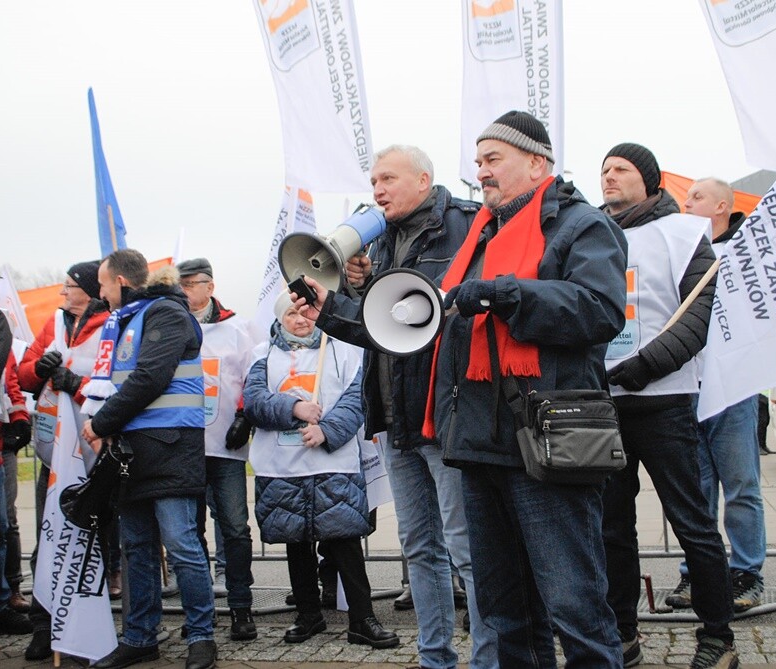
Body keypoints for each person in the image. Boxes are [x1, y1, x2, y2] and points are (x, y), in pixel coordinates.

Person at [425, 110, 628, 667]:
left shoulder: (584, 225)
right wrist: (337, 313)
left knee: (575, 608)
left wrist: (507, 293)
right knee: (502, 610)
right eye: (478, 162)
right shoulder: (481, 236)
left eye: (494, 160)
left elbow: (600, 309)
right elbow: (427, 326)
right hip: (481, 442)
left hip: (548, 439)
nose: (481, 173)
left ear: (537, 163)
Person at [292, 144, 495, 669]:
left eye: (387, 178)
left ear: (423, 179)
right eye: (373, 180)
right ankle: (435, 658)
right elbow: (379, 331)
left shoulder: (467, 227)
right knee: (420, 548)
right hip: (397, 419)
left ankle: (490, 659)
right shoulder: (383, 242)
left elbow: (441, 322)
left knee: (467, 549)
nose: (376, 190)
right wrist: (333, 303)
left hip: (445, 415)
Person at [599, 144, 738, 669]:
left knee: (693, 522)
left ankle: (718, 636)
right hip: (604, 403)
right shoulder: (593, 233)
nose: (609, 177)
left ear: (650, 181)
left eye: (621, 170)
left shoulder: (684, 234)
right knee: (612, 526)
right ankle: (622, 634)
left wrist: (644, 367)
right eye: (604, 170)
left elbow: (696, 316)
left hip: (663, 400)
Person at [81, 250, 216, 669]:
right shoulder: (123, 320)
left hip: (170, 448)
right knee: (136, 547)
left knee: (180, 544)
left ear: (121, 281)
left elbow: (149, 377)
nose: (100, 295)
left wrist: (100, 423)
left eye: (103, 285)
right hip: (132, 452)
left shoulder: (166, 314)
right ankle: (140, 637)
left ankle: (201, 636)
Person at [244, 291, 398, 649]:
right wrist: (294, 408)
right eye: (291, 314)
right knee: (296, 543)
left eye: (305, 313)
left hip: (333, 463)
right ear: (281, 319)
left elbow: (355, 397)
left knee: (344, 540)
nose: (300, 320)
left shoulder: (343, 349)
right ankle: (308, 614)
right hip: (282, 466)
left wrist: (327, 430)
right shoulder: (262, 355)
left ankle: (362, 619)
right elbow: (253, 401)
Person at [659, 177, 766, 615]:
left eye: (697, 197)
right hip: (690, 388)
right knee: (696, 490)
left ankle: (746, 573)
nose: (688, 204)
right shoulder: (682, 252)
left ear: (723, 205)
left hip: (733, 388)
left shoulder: (747, 251)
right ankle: (699, 573)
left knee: (740, 484)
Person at [16, 260, 111, 660]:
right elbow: (22, 377)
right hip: (55, 452)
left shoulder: (111, 326)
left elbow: (116, 384)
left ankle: (90, 628)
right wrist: (39, 369)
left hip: (98, 450)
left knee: (96, 540)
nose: (62, 293)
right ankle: (45, 626)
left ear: (88, 290)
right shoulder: (54, 324)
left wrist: (75, 385)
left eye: (68, 286)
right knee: (49, 534)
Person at [176, 257, 256, 641]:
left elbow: (251, 375)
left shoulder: (236, 328)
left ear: (210, 286)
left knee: (235, 528)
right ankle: (200, 612)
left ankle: (241, 607)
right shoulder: (171, 325)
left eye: (192, 283)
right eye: (182, 283)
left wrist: (245, 417)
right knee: (189, 532)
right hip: (182, 448)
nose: (185, 290)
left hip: (224, 445)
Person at [0, 324, 32, 637]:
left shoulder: (1, 333)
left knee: (6, 522)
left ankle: (12, 590)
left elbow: (10, 381)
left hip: (3, 444)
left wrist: (20, 421)